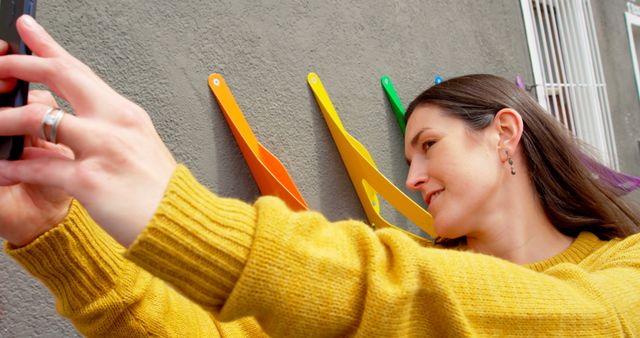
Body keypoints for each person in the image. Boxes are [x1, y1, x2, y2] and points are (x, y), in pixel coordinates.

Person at [1, 15, 640, 337]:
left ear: (505, 132)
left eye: (427, 145)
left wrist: (179, 214)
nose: (412, 176)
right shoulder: (397, 273)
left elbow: (453, 309)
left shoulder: (623, 277)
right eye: (407, 156)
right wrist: (55, 235)